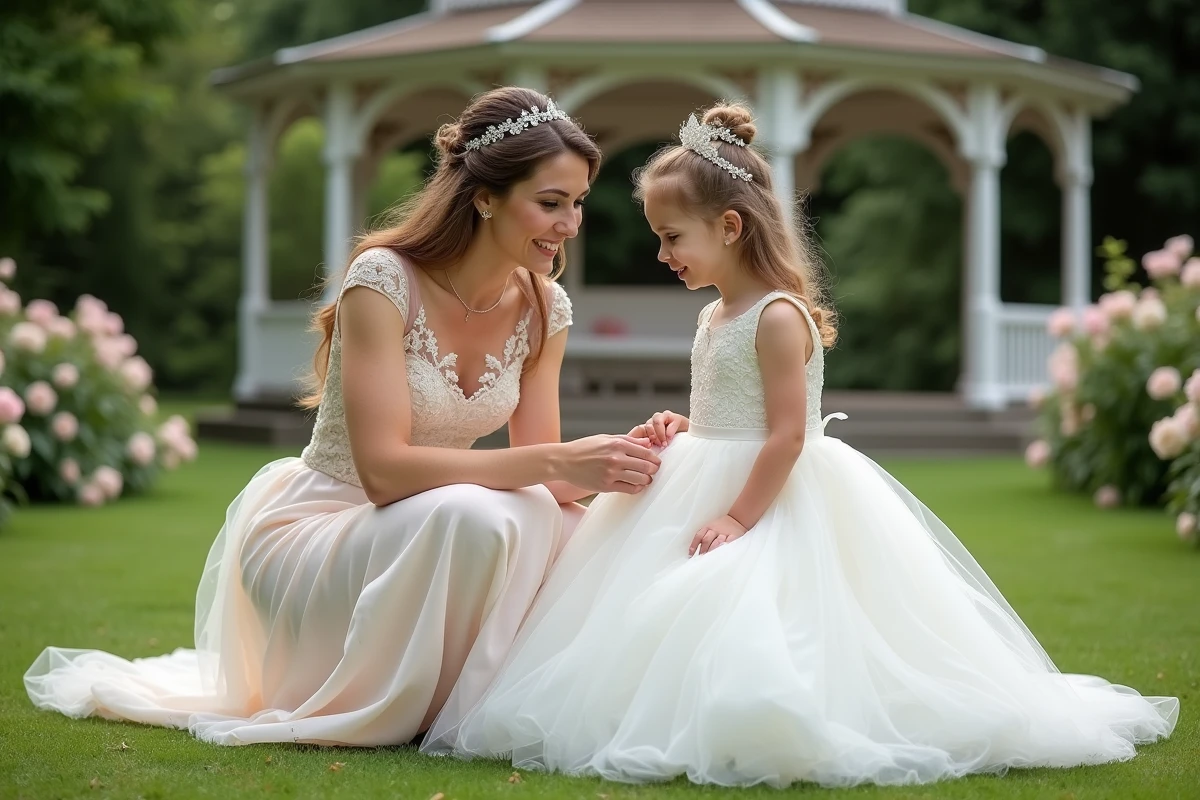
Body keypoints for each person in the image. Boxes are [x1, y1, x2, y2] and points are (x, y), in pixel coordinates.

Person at [431, 104, 1179, 787]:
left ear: (729, 228)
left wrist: (739, 519)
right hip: (710, 468)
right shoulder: (716, 315)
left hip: (769, 494)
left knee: (753, 608)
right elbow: (735, 414)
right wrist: (686, 428)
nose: (662, 255)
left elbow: (786, 436)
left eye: (671, 238)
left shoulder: (777, 316)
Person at [24, 86, 661, 747]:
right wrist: (554, 461)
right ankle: (432, 707)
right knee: (484, 512)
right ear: (485, 197)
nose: (570, 224)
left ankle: (495, 699)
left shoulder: (543, 307)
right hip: (322, 528)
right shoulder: (384, 280)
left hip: (440, 529)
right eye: (551, 202)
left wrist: (631, 456)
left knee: (563, 523)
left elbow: (554, 486)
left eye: (579, 202)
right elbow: (384, 474)